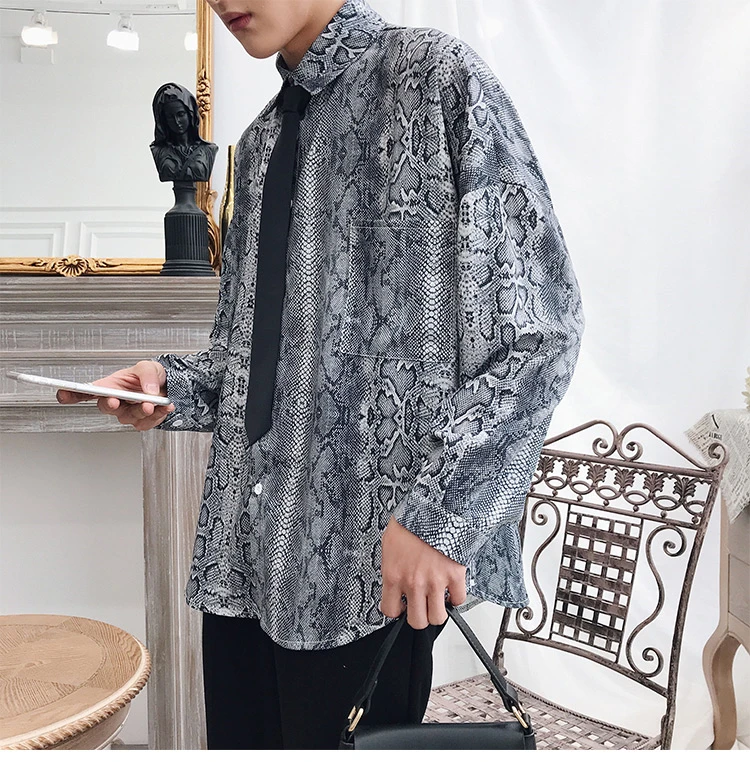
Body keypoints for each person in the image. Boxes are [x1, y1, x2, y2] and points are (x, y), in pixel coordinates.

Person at [58, 0, 584, 750]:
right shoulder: (261, 143)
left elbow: (540, 331)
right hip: (244, 555)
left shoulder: (433, 78)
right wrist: (169, 386)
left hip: (370, 562)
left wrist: (439, 519)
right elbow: (260, 359)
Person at [150, 82, 218, 183]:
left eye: (181, 114)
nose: (177, 121)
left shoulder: (208, 149)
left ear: (190, 113)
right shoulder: (159, 150)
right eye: (170, 117)